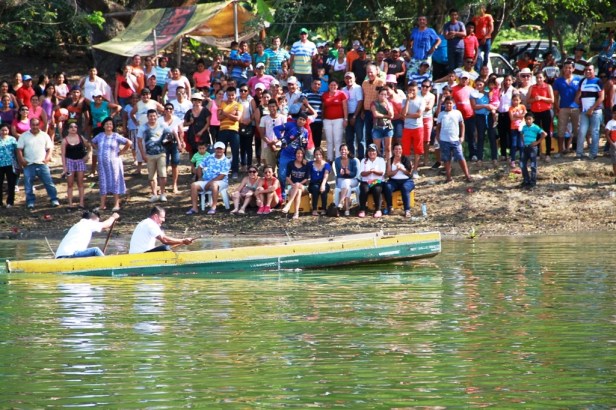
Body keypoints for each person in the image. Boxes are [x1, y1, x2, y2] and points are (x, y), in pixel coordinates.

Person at [16, 118, 59, 209]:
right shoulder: (24, 136)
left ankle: (54, 199)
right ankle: (30, 202)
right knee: (28, 184)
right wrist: (22, 160)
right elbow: (19, 149)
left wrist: (47, 158)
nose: (35, 126)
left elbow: (50, 148)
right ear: (30, 125)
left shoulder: (44, 135)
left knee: (49, 183)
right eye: (33, 125)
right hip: (29, 164)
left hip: (42, 163)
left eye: (36, 124)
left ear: (39, 125)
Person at [91, 117, 132, 211]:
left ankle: (116, 204)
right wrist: (98, 149)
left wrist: (122, 152)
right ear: (103, 126)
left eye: (110, 124)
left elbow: (129, 142)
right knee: (103, 182)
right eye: (107, 124)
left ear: (113, 126)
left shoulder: (116, 136)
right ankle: (102, 205)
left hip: (114, 164)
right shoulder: (100, 136)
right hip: (102, 164)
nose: (109, 125)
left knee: (115, 181)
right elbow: (93, 142)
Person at [186, 141, 230, 215]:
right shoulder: (209, 157)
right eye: (217, 149)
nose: (219, 150)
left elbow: (222, 176)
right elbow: (200, 167)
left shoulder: (226, 161)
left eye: (221, 149)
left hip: (221, 181)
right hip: (206, 180)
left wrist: (210, 182)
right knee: (194, 185)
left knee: (214, 185)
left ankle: (213, 207)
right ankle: (194, 208)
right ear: (214, 149)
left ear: (224, 150)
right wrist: (200, 178)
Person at [435, 96, 472, 183]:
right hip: (444, 140)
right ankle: (448, 177)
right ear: (445, 104)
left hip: (455, 140)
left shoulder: (457, 113)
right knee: (446, 159)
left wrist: (462, 136)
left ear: (453, 104)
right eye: (447, 103)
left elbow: (462, 124)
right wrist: (438, 136)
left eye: (450, 103)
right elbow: (438, 127)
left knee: (460, 157)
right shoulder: (441, 114)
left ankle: (467, 175)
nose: (449, 105)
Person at [130, 206, 195, 253]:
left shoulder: (147, 222)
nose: (163, 220)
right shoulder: (150, 223)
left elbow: (166, 240)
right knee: (165, 248)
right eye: (162, 217)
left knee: (166, 247)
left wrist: (182, 242)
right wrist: (183, 241)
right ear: (155, 216)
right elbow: (165, 240)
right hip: (140, 255)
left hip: (140, 253)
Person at [56, 210, 120, 258]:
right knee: (95, 250)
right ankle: (108, 264)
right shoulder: (88, 223)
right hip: (69, 255)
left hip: (60, 256)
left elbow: (102, 228)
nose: (98, 223)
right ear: (93, 218)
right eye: (98, 221)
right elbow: (105, 225)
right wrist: (113, 217)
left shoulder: (78, 225)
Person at [274, 112, 310, 188]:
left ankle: (294, 191)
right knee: (282, 175)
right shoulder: (290, 125)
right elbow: (276, 128)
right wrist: (281, 138)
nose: (301, 121)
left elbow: (304, 147)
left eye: (303, 120)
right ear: (297, 119)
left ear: (305, 122)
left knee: (297, 176)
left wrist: (305, 143)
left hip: (297, 157)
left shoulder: (305, 131)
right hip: (285, 154)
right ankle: (283, 193)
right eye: (300, 119)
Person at [575, 64, 604, 160]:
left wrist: (592, 108)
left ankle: (593, 153)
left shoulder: (598, 81)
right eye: (586, 70)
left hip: (595, 111)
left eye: (589, 70)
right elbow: (579, 93)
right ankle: (579, 153)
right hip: (584, 111)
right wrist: (578, 101)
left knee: (595, 132)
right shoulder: (582, 81)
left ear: (593, 70)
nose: (587, 71)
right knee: (582, 131)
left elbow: (601, 97)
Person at [61, 122, 89, 208]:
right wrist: (64, 167)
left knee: (80, 182)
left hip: (80, 161)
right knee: (70, 183)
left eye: (75, 127)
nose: (73, 128)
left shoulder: (81, 138)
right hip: (70, 162)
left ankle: (81, 203)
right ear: (68, 129)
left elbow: (89, 146)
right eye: (71, 127)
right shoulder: (64, 140)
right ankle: (70, 204)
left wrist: (87, 155)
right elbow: (63, 155)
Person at [527, 72, 554, 161]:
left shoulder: (548, 86)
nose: (539, 79)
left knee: (546, 132)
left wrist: (542, 98)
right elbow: (527, 100)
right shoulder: (532, 87)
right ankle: (537, 153)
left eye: (540, 77)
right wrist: (534, 99)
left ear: (544, 78)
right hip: (535, 112)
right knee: (536, 132)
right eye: (537, 78)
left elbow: (552, 100)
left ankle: (548, 153)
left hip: (545, 111)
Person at [158, 102, 185, 194]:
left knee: (175, 164)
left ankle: (174, 185)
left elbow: (181, 132)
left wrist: (181, 142)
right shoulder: (160, 120)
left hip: (174, 144)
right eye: (166, 108)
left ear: (173, 110)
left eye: (170, 109)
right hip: (163, 144)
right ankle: (162, 186)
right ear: (164, 110)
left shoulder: (177, 119)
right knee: (163, 165)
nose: (168, 110)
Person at [470, 78, 497, 165]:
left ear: (484, 85)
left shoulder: (488, 94)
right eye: (477, 85)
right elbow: (474, 106)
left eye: (480, 85)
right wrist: (485, 105)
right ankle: (479, 158)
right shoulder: (473, 94)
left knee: (492, 137)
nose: (479, 86)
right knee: (480, 137)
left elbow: (494, 102)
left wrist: (492, 109)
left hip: (489, 116)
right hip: (479, 117)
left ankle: (494, 158)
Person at [383, 143, 415, 217]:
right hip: (394, 181)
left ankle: (407, 210)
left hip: (406, 181)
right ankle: (390, 207)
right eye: (396, 149)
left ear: (402, 150)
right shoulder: (390, 160)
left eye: (399, 149)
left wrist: (402, 169)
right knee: (387, 187)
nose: (398, 151)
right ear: (393, 150)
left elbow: (409, 174)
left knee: (405, 188)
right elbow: (389, 174)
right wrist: (397, 170)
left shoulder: (406, 159)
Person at [217, 86, 242, 180]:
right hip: (223, 129)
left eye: (232, 95)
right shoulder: (222, 104)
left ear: (235, 95)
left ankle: (235, 171)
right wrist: (232, 113)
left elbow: (237, 118)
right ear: (226, 95)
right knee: (220, 151)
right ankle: (221, 170)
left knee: (235, 151)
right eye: (229, 95)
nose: (230, 97)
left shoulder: (238, 105)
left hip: (234, 130)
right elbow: (218, 118)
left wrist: (225, 113)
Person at [401, 81, 425, 178]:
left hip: (418, 128)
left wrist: (407, 116)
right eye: (410, 90)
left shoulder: (421, 100)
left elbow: (418, 114)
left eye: (413, 90)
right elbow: (403, 114)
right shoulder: (404, 100)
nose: (411, 92)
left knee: (417, 150)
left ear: (417, 90)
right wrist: (407, 100)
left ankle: (415, 170)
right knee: (406, 150)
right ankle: (408, 169)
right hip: (407, 128)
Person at [322, 80, 348, 161]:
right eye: (331, 85)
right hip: (327, 120)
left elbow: (345, 107)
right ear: (328, 86)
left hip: (338, 120)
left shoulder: (341, 94)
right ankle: (330, 159)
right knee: (329, 141)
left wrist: (346, 119)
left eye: (334, 85)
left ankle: (337, 159)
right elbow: (323, 107)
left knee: (337, 140)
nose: (333, 86)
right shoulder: (324, 95)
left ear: (337, 86)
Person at [358, 143, 386, 218]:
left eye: (373, 151)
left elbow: (382, 173)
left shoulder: (381, 160)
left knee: (377, 189)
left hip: (377, 181)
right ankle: (362, 210)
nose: (371, 153)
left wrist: (374, 171)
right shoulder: (364, 160)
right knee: (364, 189)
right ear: (367, 152)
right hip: (366, 181)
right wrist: (369, 172)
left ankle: (378, 210)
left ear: (376, 152)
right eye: (369, 151)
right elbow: (362, 173)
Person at [519, 112, 547, 189]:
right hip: (525, 147)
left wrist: (537, 142)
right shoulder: (524, 127)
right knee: (522, 164)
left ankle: (533, 182)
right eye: (526, 119)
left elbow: (544, 134)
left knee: (533, 165)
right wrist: (523, 142)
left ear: (533, 120)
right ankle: (526, 180)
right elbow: (521, 134)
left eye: (529, 119)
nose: (528, 120)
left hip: (532, 148)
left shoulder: (535, 127)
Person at [282, 148, 310, 219]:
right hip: (293, 187)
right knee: (298, 191)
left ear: (303, 154)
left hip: (304, 187)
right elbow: (287, 177)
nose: (299, 155)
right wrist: (293, 185)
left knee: (298, 187)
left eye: (301, 153)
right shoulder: (290, 164)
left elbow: (306, 178)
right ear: (295, 154)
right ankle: (296, 213)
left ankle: (289, 204)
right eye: (298, 153)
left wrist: (298, 184)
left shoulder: (306, 164)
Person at [343, 72, 365, 159]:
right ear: (344, 79)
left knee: (360, 138)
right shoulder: (343, 89)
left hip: (357, 114)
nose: (349, 80)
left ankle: (361, 158)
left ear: (354, 78)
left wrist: (355, 116)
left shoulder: (358, 88)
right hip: (347, 115)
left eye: (350, 78)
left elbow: (360, 102)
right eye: (347, 78)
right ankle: (351, 158)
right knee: (349, 138)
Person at [333, 143, 359, 216]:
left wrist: (349, 172)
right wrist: (340, 174)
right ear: (339, 151)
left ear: (348, 151)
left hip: (353, 180)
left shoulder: (353, 160)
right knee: (347, 185)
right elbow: (337, 174)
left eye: (345, 150)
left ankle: (341, 201)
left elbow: (355, 174)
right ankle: (347, 210)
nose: (343, 151)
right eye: (341, 150)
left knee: (346, 182)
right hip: (342, 180)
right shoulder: (337, 161)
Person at [184, 91, 211, 157]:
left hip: (203, 134)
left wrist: (201, 132)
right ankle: (193, 166)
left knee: (204, 151)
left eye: (199, 100)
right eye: (195, 100)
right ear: (192, 101)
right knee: (192, 151)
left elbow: (208, 123)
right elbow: (184, 124)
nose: (197, 102)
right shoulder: (189, 112)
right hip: (192, 134)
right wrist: (190, 122)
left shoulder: (205, 110)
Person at [371, 87, 394, 159]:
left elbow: (392, 115)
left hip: (388, 127)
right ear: (378, 94)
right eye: (381, 94)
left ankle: (388, 164)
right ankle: (378, 164)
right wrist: (387, 116)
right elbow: (375, 114)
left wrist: (387, 104)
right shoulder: (374, 103)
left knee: (388, 148)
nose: (383, 96)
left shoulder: (389, 103)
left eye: (385, 94)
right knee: (377, 149)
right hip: (377, 127)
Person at [307, 147, 331, 216]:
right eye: (316, 154)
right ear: (314, 155)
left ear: (322, 155)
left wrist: (323, 185)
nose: (318, 156)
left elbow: (326, 175)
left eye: (320, 154)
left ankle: (324, 208)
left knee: (323, 189)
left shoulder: (326, 164)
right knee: (315, 188)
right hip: (313, 183)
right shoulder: (310, 164)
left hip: (323, 182)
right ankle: (314, 209)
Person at [0, 123, 17, 208]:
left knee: (11, 183)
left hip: (11, 164)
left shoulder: (12, 139)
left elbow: (17, 152)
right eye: (2, 130)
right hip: (0, 165)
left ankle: (10, 201)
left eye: (6, 130)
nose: (4, 132)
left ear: (8, 131)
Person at [472, 4, 494, 69]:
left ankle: (484, 68)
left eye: (481, 8)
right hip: (478, 39)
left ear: (484, 9)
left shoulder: (488, 16)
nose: (479, 10)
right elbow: (472, 27)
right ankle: (478, 69)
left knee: (486, 55)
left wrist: (485, 37)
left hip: (487, 39)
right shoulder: (475, 18)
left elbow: (491, 28)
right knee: (477, 55)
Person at [509, 93, 527, 167]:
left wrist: (517, 116)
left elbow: (524, 115)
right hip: (514, 128)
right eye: (514, 100)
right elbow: (512, 118)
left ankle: (521, 159)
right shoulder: (511, 108)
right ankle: (512, 160)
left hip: (522, 128)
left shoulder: (522, 106)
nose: (515, 102)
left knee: (521, 145)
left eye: (517, 100)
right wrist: (520, 116)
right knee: (513, 144)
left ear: (520, 100)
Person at [604, 105, 616, 183]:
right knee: (615, 161)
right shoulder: (610, 123)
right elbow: (607, 134)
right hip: (614, 145)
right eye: (614, 113)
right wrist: (611, 143)